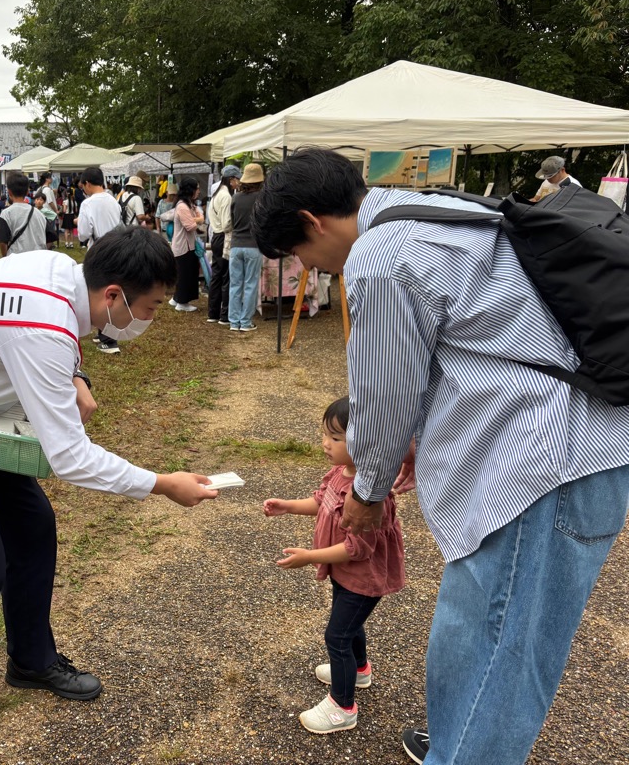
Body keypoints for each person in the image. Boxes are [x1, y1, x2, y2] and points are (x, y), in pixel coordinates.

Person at [252, 147, 629, 765]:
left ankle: (463, 749)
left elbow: (381, 395)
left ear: (311, 222)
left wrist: (368, 492)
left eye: (299, 252)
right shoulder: (433, 209)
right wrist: (413, 442)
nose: (309, 266)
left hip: (536, 468)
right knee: (482, 649)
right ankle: (456, 742)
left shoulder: (380, 255)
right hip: (577, 454)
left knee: (494, 662)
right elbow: (463, 347)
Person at [0, 225, 219, 732]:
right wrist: (163, 483)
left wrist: (74, 374)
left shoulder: (59, 273)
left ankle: (31, 660)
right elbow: (70, 457)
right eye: (152, 307)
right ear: (113, 295)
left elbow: (15, 332)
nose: (150, 318)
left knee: (31, 529)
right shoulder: (45, 328)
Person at [263, 396, 405, 734]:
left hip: (364, 578)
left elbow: (357, 548)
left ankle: (343, 707)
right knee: (349, 626)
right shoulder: (340, 473)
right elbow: (320, 500)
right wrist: (288, 506)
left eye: (336, 438)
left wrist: (309, 557)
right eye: (325, 434)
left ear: (367, 443)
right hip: (345, 574)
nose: (326, 443)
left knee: (337, 636)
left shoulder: (371, 498)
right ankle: (359, 670)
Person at [75, 167, 123, 354]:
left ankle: (109, 340)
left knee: (100, 294)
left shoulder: (88, 204)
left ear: (87, 183)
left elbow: (83, 233)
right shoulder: (113, 200)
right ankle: (104, 332)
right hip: (116, 249)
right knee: (111, 293)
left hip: (99, 252)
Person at [227, 163, 264, 332]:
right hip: (253, 245)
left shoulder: (235, 197)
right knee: (250, 284)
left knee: (235, 285)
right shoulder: (261, 198)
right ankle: (246, 322)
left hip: (236, 245)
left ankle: (234, 322)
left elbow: (232, 221)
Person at [161, 177, 204, 312]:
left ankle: (176, 299)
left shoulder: (188, 204)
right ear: (190, 190)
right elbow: (190, 226)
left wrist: (196, 218)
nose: (198, 191)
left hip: (186, 246)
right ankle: (182, 303)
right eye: (197, 188)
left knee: (185, 273)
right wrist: (198, 220)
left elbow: (198, 217)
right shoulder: (182, 206)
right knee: (185, 275)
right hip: (183, 247)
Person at [207, 165, 238, 326]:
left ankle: (213, 313)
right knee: (226, 276)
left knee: (217, 276)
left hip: (216, 236)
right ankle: (224, 315)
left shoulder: (216, 194)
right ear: (231, 179)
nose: (238, 183)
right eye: (237, 179)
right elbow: (226, 223)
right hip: (223, 237)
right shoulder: (226, 196)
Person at [0, 173, 46, 257]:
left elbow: (2, 241)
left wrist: (5, 257)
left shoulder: (6, 213)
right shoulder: (40, 214)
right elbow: (48, 238)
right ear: (27, 191)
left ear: (9, 192)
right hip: (38, 259)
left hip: (16, 259)